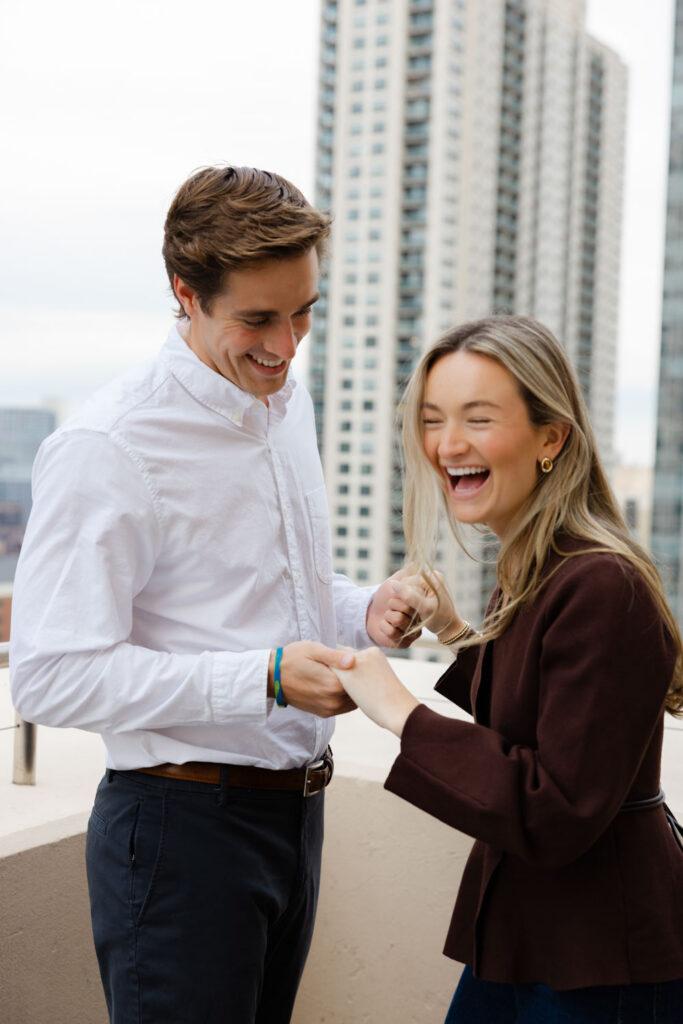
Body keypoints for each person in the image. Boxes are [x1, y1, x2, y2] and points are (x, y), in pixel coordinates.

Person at [9, 165, 424, 1024]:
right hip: (178, 832)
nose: (287, 344)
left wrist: (365, 610)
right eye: (258, 320)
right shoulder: (109, 446)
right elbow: (48, 676)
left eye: (304, 310)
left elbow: (274, 597)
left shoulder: (286, 405)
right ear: (184, 295)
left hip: (294, 820)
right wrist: (266, 678)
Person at [333, 315, 683, 1023]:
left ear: (550, 437)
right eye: (432, 420)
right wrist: (456, 630)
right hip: (533, 935)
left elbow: (553, 805)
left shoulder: (600, 583)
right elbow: (541, 722)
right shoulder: (537, 565)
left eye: (477, 418)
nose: (447, 444)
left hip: (597, 958)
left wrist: (401, 712)